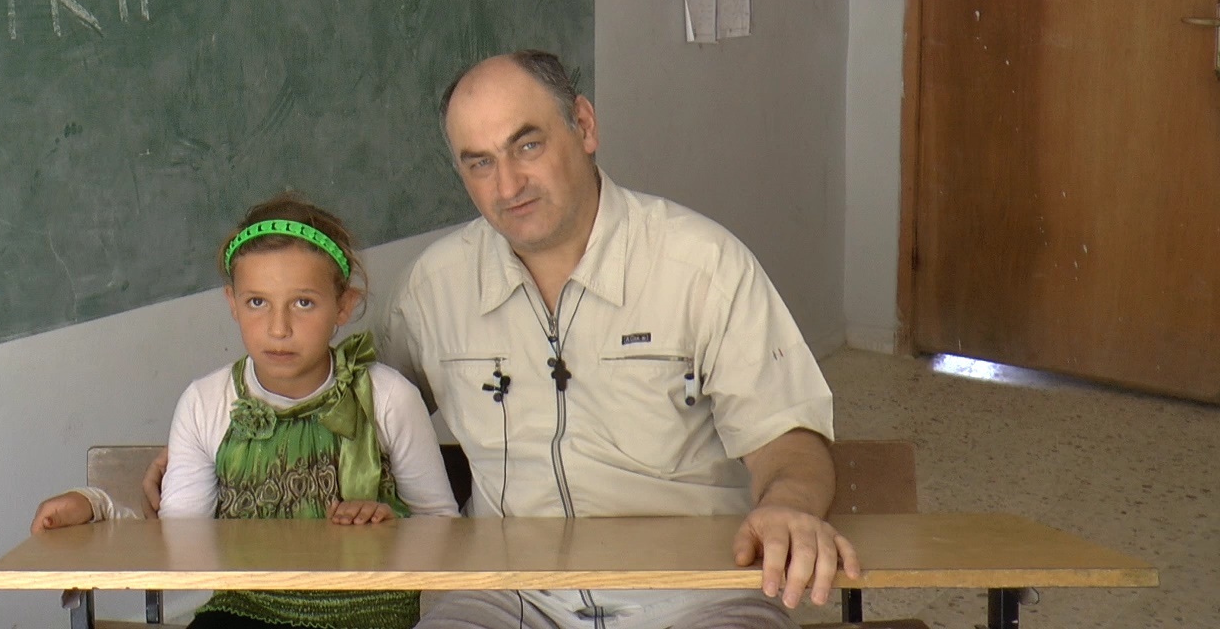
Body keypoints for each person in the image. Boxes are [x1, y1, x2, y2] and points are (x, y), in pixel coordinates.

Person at [150, 52, 859, 629]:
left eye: (527, 145)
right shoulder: (438, 286)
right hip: (503, 597)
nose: (508, 183)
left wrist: (789, 505)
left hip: (696, 596)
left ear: (584, 126)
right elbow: (344, 400)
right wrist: (216, 442)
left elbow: (789, 439)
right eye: (479, 162)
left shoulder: (702, 265)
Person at [31, 192, 459, 629]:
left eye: (303, 303)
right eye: (257, 302)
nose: (278, 328)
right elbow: (178, 543)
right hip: (246, 612)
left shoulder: (388, 397)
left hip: (369, 617)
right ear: (232, 303)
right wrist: (98, 508)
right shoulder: (205, 403)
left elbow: (445, 527)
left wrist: (392, 525)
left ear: (343, 306)